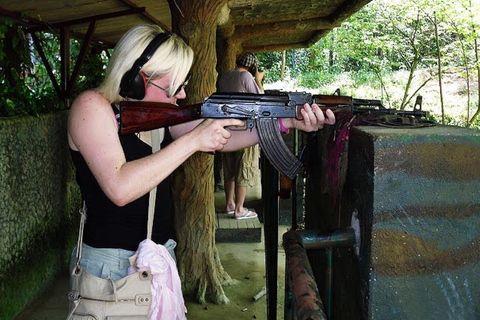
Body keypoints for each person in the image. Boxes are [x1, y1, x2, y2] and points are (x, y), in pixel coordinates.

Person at [67, 24, 335, 283]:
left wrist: (284, 122)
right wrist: (195, 140)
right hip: (110, 269)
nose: (182, 94)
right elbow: (120, 188)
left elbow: (221, 138)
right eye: (174, 87)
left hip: (157, 256)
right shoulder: (91, 107)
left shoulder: (156, 116)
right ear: (136, 80)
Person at [217, 52, 264, 220]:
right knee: (244, 168)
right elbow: (260, 99)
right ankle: (239, 209)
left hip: (227, 127)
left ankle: (229, 204)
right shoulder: (246, 76)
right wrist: (258, 79)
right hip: (245, 129)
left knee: (229, 169)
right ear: (252, 67)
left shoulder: (225, 76)